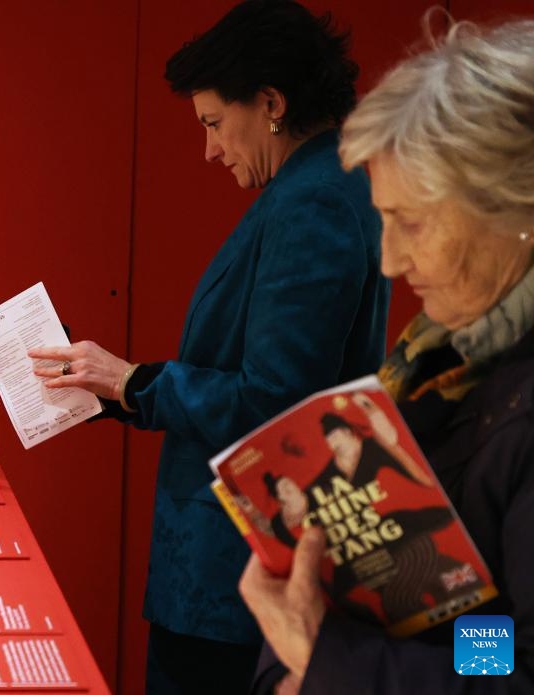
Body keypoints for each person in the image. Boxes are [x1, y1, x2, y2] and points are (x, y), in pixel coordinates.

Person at [28, 2, 389, 691]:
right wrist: (115, 386)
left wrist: (134, 381)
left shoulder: (311, 201)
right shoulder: (310, 188)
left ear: (272, 103)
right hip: (242, 566)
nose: (210, 149)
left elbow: (275, 401)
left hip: (239, 570)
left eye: (215, 124)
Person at [240, 16, 534, 693]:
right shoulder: (444, 360)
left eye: (413, 222)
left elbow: (520, 666)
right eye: (384, 220)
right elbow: (490, 630)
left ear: (514, 207)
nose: (392, 261)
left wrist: (332, 661)